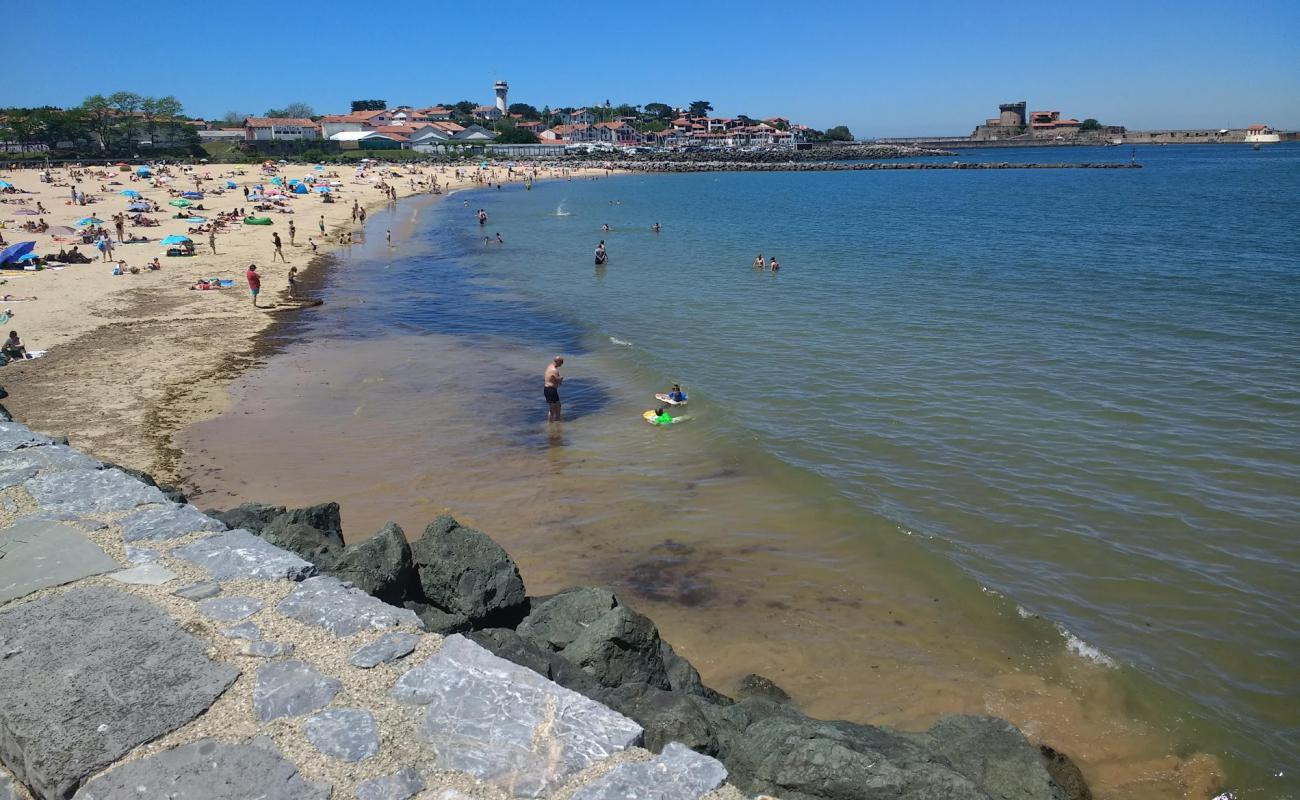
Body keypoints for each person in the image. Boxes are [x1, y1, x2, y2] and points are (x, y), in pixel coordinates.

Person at [544, 356, 564, 422]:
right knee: (552, 409)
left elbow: (552, 378)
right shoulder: (554, 370)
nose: (562, 364)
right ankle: (550, 424)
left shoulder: (549, 366)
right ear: (557, 361)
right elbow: (558, 381)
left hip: (549, 389)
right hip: (550, 390)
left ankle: (558, 420)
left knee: (558, 405)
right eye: (561, 362)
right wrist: (561, 378)